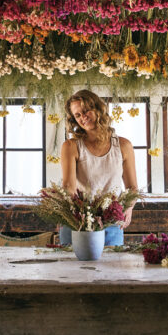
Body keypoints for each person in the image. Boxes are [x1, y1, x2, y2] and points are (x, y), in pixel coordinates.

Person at [59, 89, 139, 247]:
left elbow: (132, 188)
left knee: (112, 270)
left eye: (86, 110)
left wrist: (127, 208)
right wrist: (80, 215)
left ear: (98, 109)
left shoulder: (123, 145)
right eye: (78, 115)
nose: (83, 117)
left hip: (111, 224)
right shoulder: (71, 146)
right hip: (78, 223)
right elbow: (69, 188)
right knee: (70, 271)